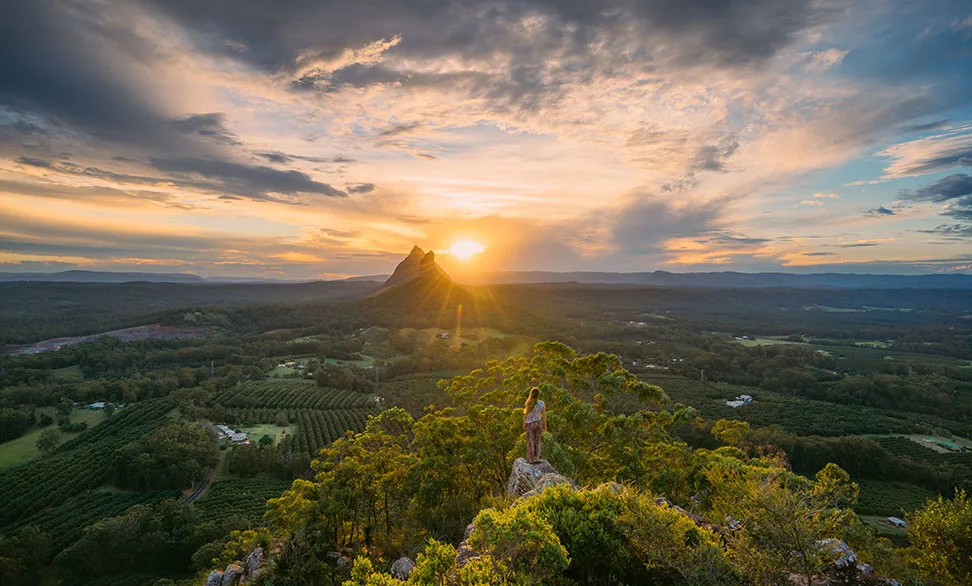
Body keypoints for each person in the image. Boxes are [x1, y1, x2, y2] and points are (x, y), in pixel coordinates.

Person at [523, 386, 546, 462]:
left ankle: (531, 458)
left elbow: (526, 414)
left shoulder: (528, 402)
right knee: (537, 441)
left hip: (530, 423)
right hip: (538, 423)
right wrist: (544, 424)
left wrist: (524, 423)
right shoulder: (541, 403)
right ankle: (537, 458)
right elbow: (544, 415)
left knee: (530, 441)